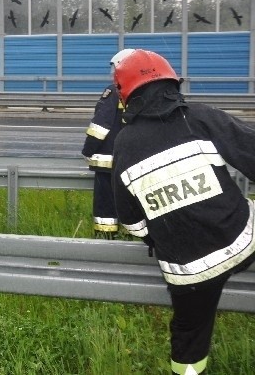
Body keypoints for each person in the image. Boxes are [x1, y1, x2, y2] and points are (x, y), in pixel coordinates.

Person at [111, 49, 255, 375]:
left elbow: (130, 220)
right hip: (241, 241)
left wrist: (159, 236)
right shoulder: (200, 117)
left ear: (126, 95)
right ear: (172, 83)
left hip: (188, 269)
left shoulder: (125, 143)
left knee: (189, 338)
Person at [81, 48, 135, 239]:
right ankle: (131, 235)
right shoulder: (136, 92)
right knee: (129, 202)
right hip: (130, 161)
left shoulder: (113, 92)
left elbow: (100, 126)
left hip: (106, 163)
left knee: (106, 207)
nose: (112, 72)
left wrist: (88, 150)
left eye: (114, 68)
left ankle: (106, 239)